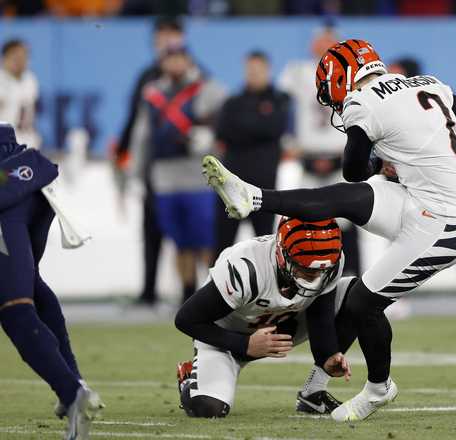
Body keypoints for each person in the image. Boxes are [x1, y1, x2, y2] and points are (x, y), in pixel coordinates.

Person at [201, 39, 456, 421]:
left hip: (443, 226)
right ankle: (252, 197)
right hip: (419, 199)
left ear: (342, 80)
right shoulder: (423, 84)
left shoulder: (363, 102)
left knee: (362, 301)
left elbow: (353, 169)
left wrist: (377, 163)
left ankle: (378, 389)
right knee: (340, 201)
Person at [174, 217, 354, 418]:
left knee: (357, 296)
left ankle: (314, 393)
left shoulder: (328, 264)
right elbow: (186, 319)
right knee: (208, 408)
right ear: (281, 254)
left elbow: (321, 315)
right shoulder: (246, 268)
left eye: (321, 269)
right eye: (305, 269)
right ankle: (189, 379)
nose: (315, 276)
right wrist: (244, 344)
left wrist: (328, 355)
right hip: (225, 338)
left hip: (282, 328)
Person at [0, 123, 103, 439]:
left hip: (5, 188)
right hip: (26, 173)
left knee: (15, 308)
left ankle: (72, 393)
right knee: (30, 287)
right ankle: (74, 382)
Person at [389, 56, 456, 319]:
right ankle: (394, 294)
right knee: (401, 233)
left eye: (396, 74)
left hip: (443, 183)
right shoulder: (393, 108)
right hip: (412, 183)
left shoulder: (438, 101)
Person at [130, 44, 224, 304]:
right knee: (180, 242)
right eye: (169, 59)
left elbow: (223, 124)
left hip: (198, 176)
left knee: (204, 240)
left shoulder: (207, 88)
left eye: (179, 59)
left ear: (189, 61)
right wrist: (137, 174)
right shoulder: (153, 94)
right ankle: (187, 294)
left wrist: (211, 143)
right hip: (165, 177)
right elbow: (142, 136)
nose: (175, 65)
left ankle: (216, 294)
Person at [277, 24, 362, 277]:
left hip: (340, 157)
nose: (325, 46)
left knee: (348, 220)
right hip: (309, 157)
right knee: (305, 218)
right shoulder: (297, 71)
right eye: (321, 41)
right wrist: (290, 145)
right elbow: (281, 105)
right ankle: (306, 273)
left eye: (330, 41)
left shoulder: (351, 74)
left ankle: (352, 275)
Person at [114, 16, 185, 306]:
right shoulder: (146, 76)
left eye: (171, 34)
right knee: (151, 226)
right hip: (154, 164)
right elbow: (134, 119)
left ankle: (189, 291)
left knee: (186, 233)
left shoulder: (192, 76)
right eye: (161, 35)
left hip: (181, 166)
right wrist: (123, 151)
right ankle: (149, 290)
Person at [213, 51, 290, 259]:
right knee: (222, 246)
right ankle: (218, 289)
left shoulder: (281, 99)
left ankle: (267, 291)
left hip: (263, 188)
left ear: (268, 70)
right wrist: (258, 128)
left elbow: (274, 128)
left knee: (266, 247)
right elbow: (222, 131)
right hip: (230, 185)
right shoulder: (232, 102)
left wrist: (243, 127)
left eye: (258, 70)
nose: (254, 74)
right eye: (250, 70)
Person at [0, 39, 40, 149]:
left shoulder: (30, 79)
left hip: (27, 140)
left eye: (24, 57)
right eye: (16, 57)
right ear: (5, 58)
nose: (21, 61)